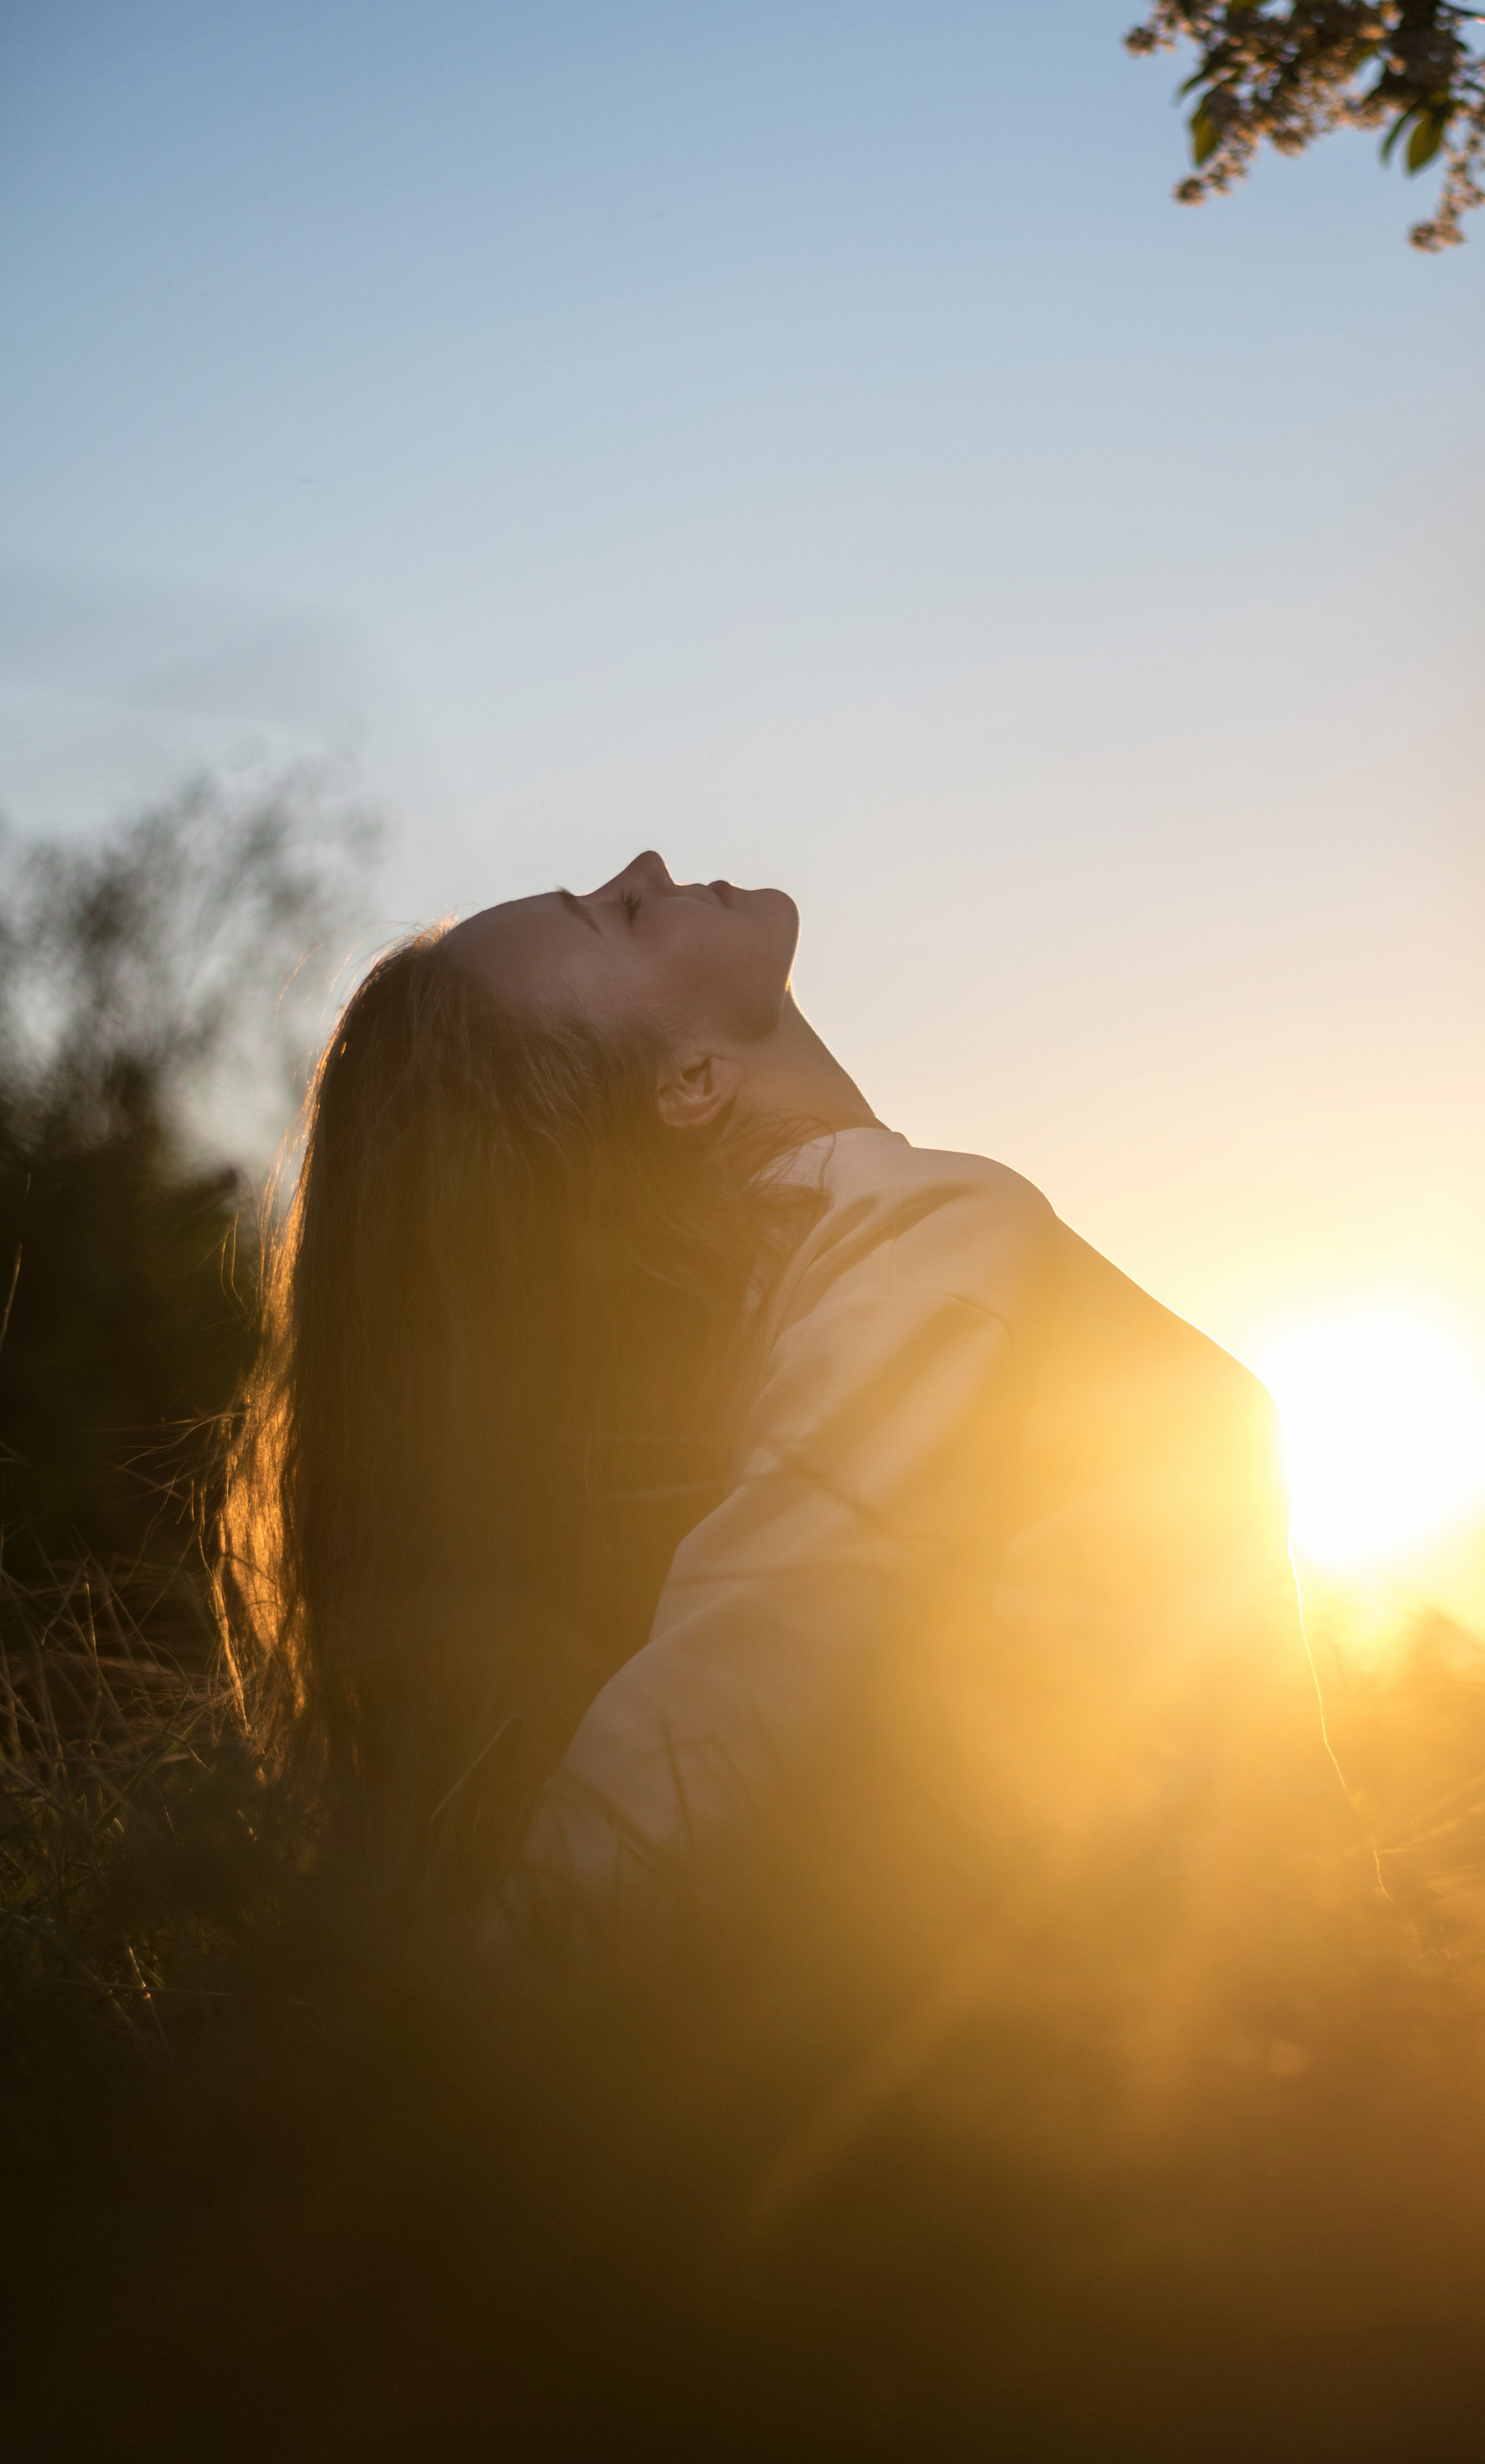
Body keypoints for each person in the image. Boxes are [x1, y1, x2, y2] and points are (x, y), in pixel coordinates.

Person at [225, 850, 1341, 2004]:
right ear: (691, 1082)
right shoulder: (926, 1235)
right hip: (1186, 2033)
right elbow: (764, 1641)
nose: (645, 865)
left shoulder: (797, 1292)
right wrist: (460, 2045)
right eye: (619, 915)